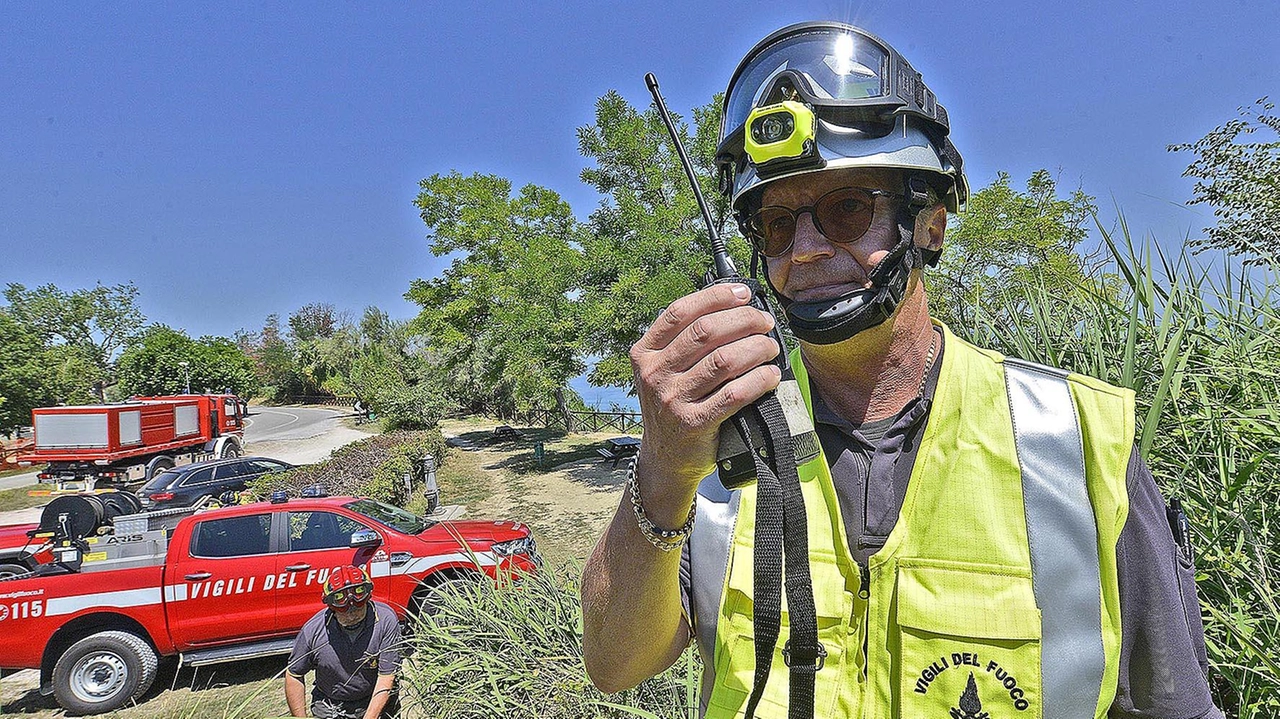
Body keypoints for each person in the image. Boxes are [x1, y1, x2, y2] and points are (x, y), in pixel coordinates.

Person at [580, 21, 1223, 719]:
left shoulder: (1076, 442)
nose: (803, 249)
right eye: (775, 224)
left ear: (932, 224)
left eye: (845, 209)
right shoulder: (711, 443)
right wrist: (664, 466)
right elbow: (615, 664)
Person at [286, 565, 402, 719]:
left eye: (358, 610)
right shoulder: (313, 630)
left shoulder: (385, 620)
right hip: (331, 706)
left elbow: (386, 676)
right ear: (331, 607)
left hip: (374, 700)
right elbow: (294, 674)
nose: (352, 615)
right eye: (345, 612)